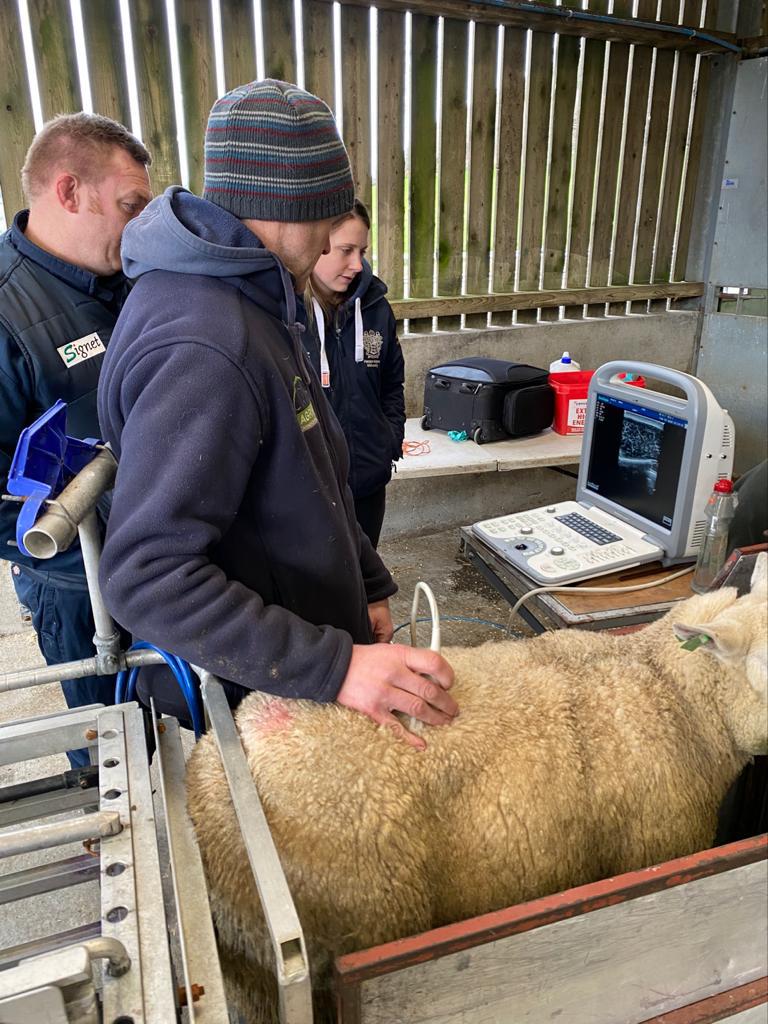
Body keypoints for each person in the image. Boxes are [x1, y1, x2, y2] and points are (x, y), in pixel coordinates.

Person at [97, 79, 457, 750]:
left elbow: (310, 461)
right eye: (328, 219)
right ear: (295, 205)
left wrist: (366, 582)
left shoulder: (259, 299)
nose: (332, 240)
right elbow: (148, 575)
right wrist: (337, 665)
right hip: (259, 704)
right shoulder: (207, 342)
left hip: (301, 661)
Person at [0, 113, 152, 768]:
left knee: (179, 729)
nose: (141, 225)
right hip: (81, 590)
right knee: (111, 749)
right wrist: (106, 567)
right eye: (129, 206)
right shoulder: (8, 315)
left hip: (164, 564)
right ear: (69, 192)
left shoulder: (131, 282)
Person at [304, 199, 405, 548]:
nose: (357, 264)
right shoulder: (286, 314)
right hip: (310, 492)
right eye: (346, 250)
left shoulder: (376, 307)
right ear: (316, 244)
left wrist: (389, 440)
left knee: (366, 582)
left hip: (368, 481)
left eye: (361, 250)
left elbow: (392, 384)